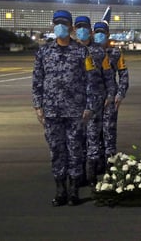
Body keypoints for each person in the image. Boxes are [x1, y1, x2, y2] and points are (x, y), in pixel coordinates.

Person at [32, 10, 99, 206]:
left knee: (75, 150)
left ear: (70, 27)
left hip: (75, 111)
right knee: (56, 150)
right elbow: (37, 80)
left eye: (63, 24)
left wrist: (89, 107)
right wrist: (38, 106)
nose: (59, 27)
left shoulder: (81, 51)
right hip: (51, 112)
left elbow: (91, 82)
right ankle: (60, 190)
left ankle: (73, 190)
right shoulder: (44, 51)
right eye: (56, 23)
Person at [74, 16, 116, 186]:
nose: (81, 30)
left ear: (90, 31)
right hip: (74, 104)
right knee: (77, 140)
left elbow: (109, 77)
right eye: (79, 27)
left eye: (84, 27)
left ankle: (91, 174)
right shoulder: (70, 50)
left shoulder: (100, 52)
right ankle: (79, 174)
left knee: (92, 138)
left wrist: (111, 95)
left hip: (95, 103)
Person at [93, 21, 129, 168]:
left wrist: (120, 94)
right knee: (93, 132)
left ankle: (110, 163)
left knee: (109, 130)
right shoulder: (88, 52)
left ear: (108, 34)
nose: (99, 35)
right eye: (96, 32)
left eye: (102, 32)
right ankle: (96, 163)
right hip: (92, 99)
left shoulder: (115, 53)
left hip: (110, 98)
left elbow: (124, 75)